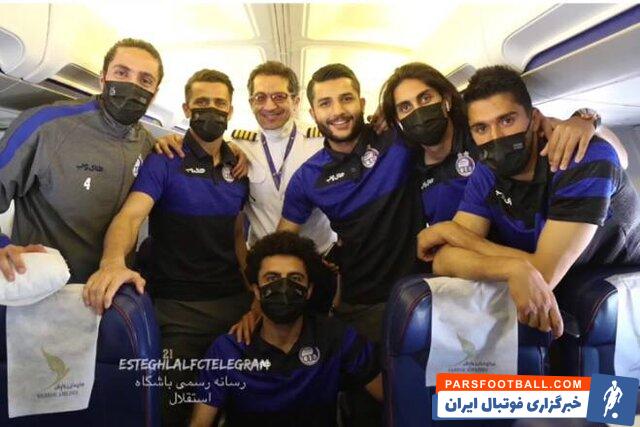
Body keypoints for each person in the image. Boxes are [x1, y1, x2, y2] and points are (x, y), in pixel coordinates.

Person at [416, 65, 640, 337]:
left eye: (507, 120)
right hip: (562, 287)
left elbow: (543, 274)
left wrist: (453, 233)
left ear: (534, 120)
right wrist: (513, 268)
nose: (496, 137)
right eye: (481, 128)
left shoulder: (583, 160)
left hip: (620, 292)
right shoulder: (487, 171)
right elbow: (443, 259)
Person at [84, 69, 252, 426]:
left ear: (231, 110)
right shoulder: (165, 159)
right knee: (175, 408)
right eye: (202, 102)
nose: (211, 110)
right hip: (178, 311)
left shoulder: (238, 168)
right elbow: (130, 217)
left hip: (235, 309)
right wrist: (112, 262)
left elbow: (238, 236)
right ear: (187, 109)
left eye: (219, 103)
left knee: (240, 405)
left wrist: (255, 294)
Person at [379, 61, 628, 227]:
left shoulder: (485, 133)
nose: (418, 112)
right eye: (405, 107)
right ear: (398, 119)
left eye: (425, 98)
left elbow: (620, 159)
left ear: (445, 100)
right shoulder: (407, 165)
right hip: (464, 258)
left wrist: (588, 121)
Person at [0, 38, 162, 283]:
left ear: (154, 94)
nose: (133, 85)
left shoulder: (148, 143)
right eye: (122, 73)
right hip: (45, 285)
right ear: (103, 78)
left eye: (145, 80)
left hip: (110, 288)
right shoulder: (46, 125)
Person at [190, 231, 382, 427]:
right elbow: (200, 423)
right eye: (271, 278)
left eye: (295, 278)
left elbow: (391, 398)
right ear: (256, 291)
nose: (283, 287)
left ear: (309, 290)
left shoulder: (335, 338)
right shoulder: (228, 351)